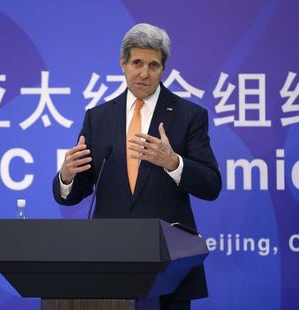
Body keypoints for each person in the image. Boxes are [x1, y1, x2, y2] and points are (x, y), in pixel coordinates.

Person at [52, 23, 222, 310]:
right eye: (137, 63)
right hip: (109, 260)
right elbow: (79, 190)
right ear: (123, 64)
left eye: (153, 65)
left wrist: (173, 163)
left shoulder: (189, 115)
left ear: (163, 68)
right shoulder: (98, 118)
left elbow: (211, 184)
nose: (144, 73)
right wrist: (67, 176)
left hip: (170, 264)